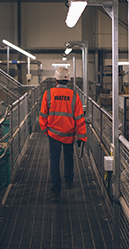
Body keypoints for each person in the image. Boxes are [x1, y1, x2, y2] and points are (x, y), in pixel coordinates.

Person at [40, 67, 87, 202]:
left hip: (53, 134)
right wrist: (82, 136)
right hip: (69, 133)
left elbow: (43, 114)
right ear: (68, 80)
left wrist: (45, 129)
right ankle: (69, 178)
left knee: (54, 159)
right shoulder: (74, 96)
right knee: (68, 156)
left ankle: (56, 189)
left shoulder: (48, 94)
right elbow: (79, 118)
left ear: (55, 79)